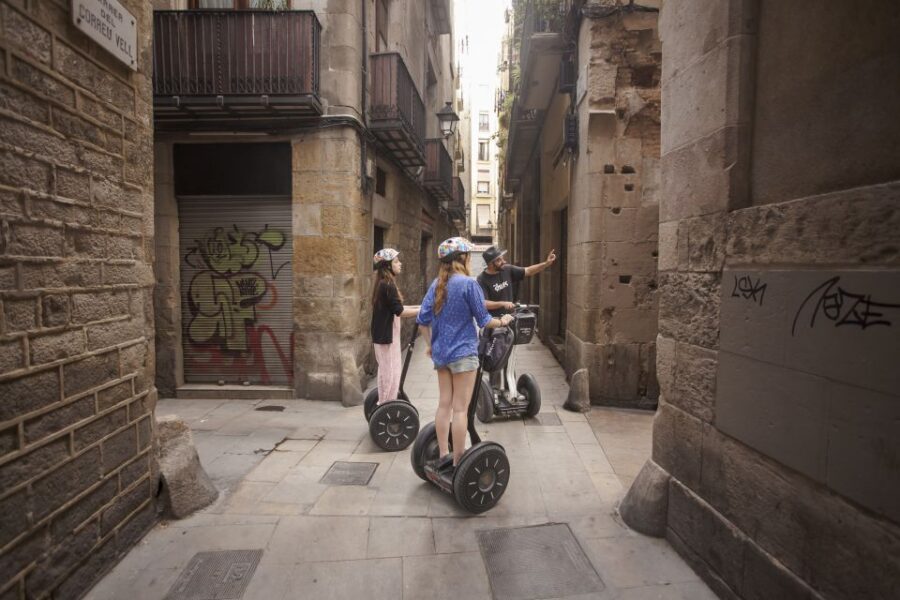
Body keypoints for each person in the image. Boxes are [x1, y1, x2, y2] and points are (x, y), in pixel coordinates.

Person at [417, 237, 513, 471]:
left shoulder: (436, 284)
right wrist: (503, 319)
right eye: (468, 255)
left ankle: (443, 454)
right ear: (463, 258)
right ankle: (460, 462)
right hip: (464, 355)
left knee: (444, 405)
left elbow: (422, 320)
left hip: (442, 355)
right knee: (461, 410)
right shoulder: (469, 284)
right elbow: (484, 320)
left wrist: (431, 345)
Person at [371, 248, 419, 406]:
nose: (400, 264)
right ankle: (386, 405)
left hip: (383, 334)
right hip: (386, 336)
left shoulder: (384, 283)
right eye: (396, 261)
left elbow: (396, 306)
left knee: (386, 371)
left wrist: (420, 307)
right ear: (388, 266)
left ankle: (384, 402)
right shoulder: (388, 285)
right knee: (391, 373)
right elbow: (400, 311)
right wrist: (423, 310)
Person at [477, 245, 557, 316]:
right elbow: (483, 303)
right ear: (490, 264)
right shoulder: (482, 279)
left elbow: (528, 270)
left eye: (502, 259)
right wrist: (502, 303)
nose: (503, 262)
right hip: (494, 320)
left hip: (511, 317)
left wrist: (546, 264)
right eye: (499, 260)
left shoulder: (507, 269)